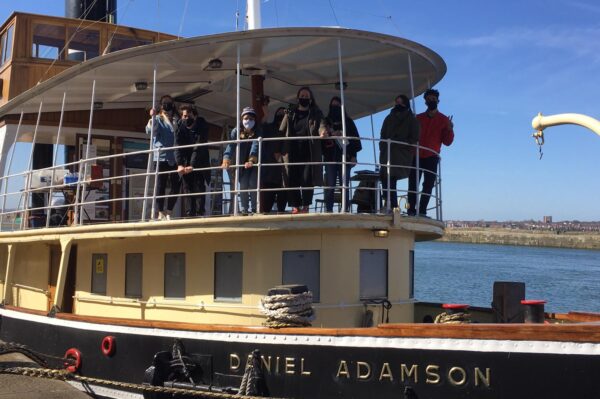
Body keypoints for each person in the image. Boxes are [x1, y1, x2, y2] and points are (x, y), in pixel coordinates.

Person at [407, 88, 454, 216]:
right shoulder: (418, 118)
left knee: (428, 185)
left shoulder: (444, 120)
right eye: (429, 99)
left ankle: (422, 210)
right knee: (412, 184)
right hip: (416, 155)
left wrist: (449, 129)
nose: (431, 101)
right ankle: (410, 210)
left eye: (433, 99)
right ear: (425, 101)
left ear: (438, 100)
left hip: (432, 156)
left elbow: (447, 142)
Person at [280, 87, 326, 214]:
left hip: (309, 151)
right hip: (292, 150)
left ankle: (305, 205)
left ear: (310, 99)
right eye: (302, 96)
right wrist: (286, 115)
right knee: (292, 178)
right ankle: (295, 206)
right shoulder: (291, 112)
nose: (304, 98)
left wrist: (323, 132)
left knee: (307, 179)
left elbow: (321, 125)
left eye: (306, 96)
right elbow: (282, 129)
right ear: (298, 98)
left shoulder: (316, 112)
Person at [379, 94, 420, 211]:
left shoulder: (412, 120)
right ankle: (389, 204)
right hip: (387, 153)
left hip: (401, 155)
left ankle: (393, 206)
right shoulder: (388, 118)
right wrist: (383, 146)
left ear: (405, 104)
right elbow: (382, 135)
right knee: (385, 178)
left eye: (400, 102)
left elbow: (414, 138)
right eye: (396, 102)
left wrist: (397, 142)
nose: (397, 105)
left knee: (391, 178)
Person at [322, 96, 362, 212]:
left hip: (346, 157)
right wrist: (329, 134)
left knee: (344, 186)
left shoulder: (348, 122)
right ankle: (329, 210)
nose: (334, 108)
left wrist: (354, 156)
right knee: (330, 186)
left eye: (337, 106)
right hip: (330, 158)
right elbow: (321, 137)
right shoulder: (326, 121)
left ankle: (344, 209)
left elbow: (355, 140)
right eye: (332, 106)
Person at [146, 95, 181, 220]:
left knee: (176, 185)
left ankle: (169, 210)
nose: (168, 106)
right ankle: (160, 211)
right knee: (161, 185)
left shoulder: (177, 120)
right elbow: (151, 131)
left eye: (170, 103)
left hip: (176, 157)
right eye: (165, 104)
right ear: (161, 106)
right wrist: (152, 117)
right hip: (161, 157)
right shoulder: (158, 119)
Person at [221, 107, 260, 215]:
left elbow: (255, 145)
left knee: (253, 183)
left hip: (255, 163)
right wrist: (226, 158)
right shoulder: (236, 131)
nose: (248, 121)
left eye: (251, 118)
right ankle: (244, 209)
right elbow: (231, 145)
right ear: (242, 119)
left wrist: (251, 160)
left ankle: (254, 209)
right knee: (243, 184)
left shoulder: (258, 131)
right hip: (242, 163)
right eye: (246, 118)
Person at [175, 104, 210, 217]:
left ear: (195, 116)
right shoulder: (179, 125)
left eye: (188, 116)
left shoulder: (202, 125)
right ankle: (190, 213)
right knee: (187, 186)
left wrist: (192, 165)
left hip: (200, 159)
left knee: (199, 184)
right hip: (185, 159)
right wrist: (180, 164)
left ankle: (200, 212)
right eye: (184, 116)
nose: (186, 118)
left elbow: (198, 146)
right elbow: (177, 146)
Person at [260, 106, 288, 213]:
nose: (280, 117)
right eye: (279, 114)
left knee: (282, 201)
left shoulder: (288, 129)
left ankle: (281, 215)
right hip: (270, 172)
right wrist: (266, 115)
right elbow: (261, 127)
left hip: (283, 172)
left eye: (283, 115)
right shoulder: (269, 128)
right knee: (267, 202)